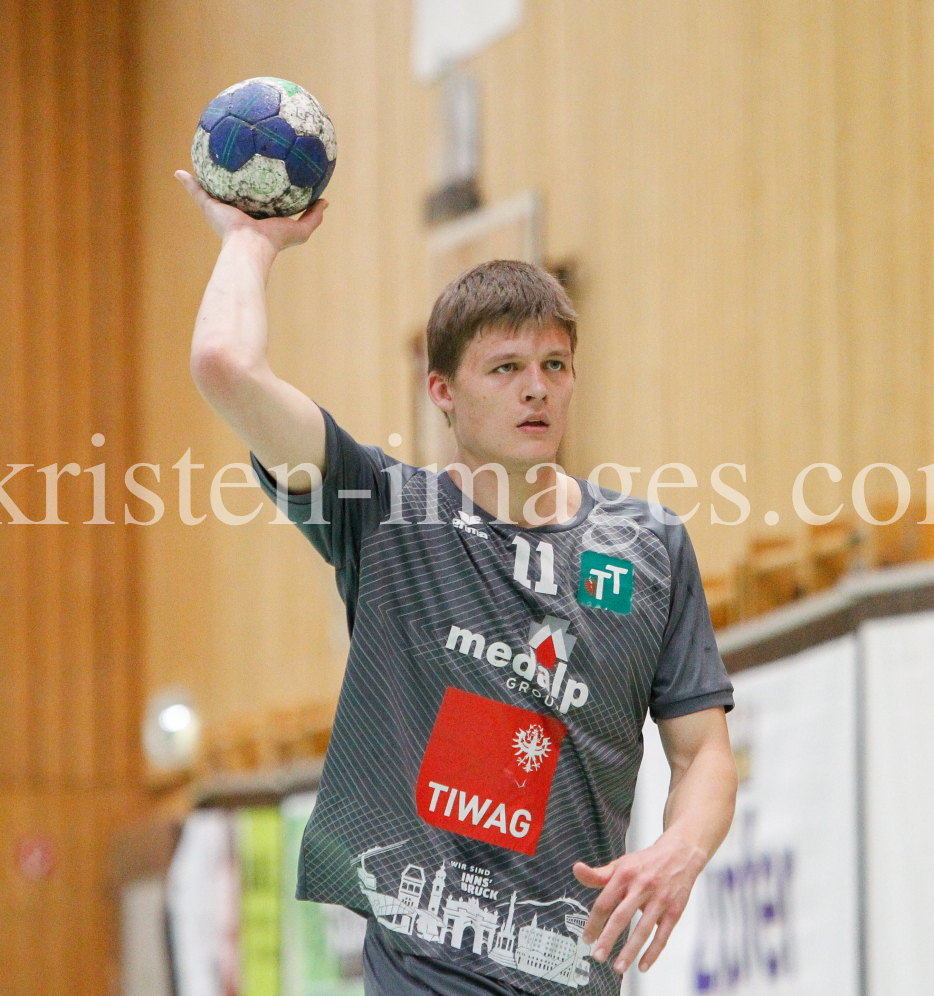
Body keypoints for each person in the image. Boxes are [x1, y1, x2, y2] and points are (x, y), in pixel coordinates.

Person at [176, 169, 737, 996]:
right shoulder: (383, 513)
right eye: (504, 367)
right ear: (440, 390)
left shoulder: (649, 547)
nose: (537, 386)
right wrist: (249, 242)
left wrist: (678, 852)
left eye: (554, 364)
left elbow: (703, 755)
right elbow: (224, 364)